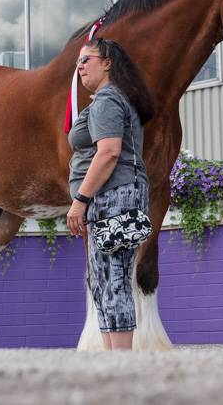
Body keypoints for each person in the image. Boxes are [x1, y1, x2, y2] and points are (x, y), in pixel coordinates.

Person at [66, 37, 155, 351]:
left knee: (113, 279)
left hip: (114, 197)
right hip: (107, 199)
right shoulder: (107, 99)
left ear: (107, 63)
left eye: (85, 60)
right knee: (102, 281)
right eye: (77, 63)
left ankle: (122, 363)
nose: (79, 68)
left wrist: (79, 201)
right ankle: (112, 360)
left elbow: (108, 153)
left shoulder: (107, 99)